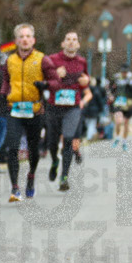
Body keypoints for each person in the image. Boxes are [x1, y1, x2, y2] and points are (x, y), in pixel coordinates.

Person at [41, 31, 91, 191]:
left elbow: (84, 82)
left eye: (74, 40)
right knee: (52, 142)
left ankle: (64, 177)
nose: (71, 42)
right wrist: (56, 75)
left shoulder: (82, 61)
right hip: (54, 107)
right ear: (63, 43)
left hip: (73, 107)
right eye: (68, 39)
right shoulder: (52, 59)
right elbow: (43, 82)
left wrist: (86, 81)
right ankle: (55, 160)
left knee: (69, 138)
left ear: (78, 44)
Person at [2, 23, 46, 201]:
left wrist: (45, 87)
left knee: (33, 149)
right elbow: (5, 81)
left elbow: (54, 81)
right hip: (15, 110)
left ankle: (31, 176)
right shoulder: (9, 60)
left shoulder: (43, 59)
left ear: (33, 40)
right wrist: (3, 96)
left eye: (28, 36)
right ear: (16, 41)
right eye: (21, 36)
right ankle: (15, 188)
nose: (25, 39)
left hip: (34, 110)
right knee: (12, 147)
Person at [109, 67, 132, 150]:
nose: (124, 73)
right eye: (123, 72)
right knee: (118, 121)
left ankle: (124, 142)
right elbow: (111, 89)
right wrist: (111, 95)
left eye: (125, 72)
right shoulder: (116, 79)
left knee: (126, 123)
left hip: (128, 104)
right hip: (119, 103)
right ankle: (118, 137)